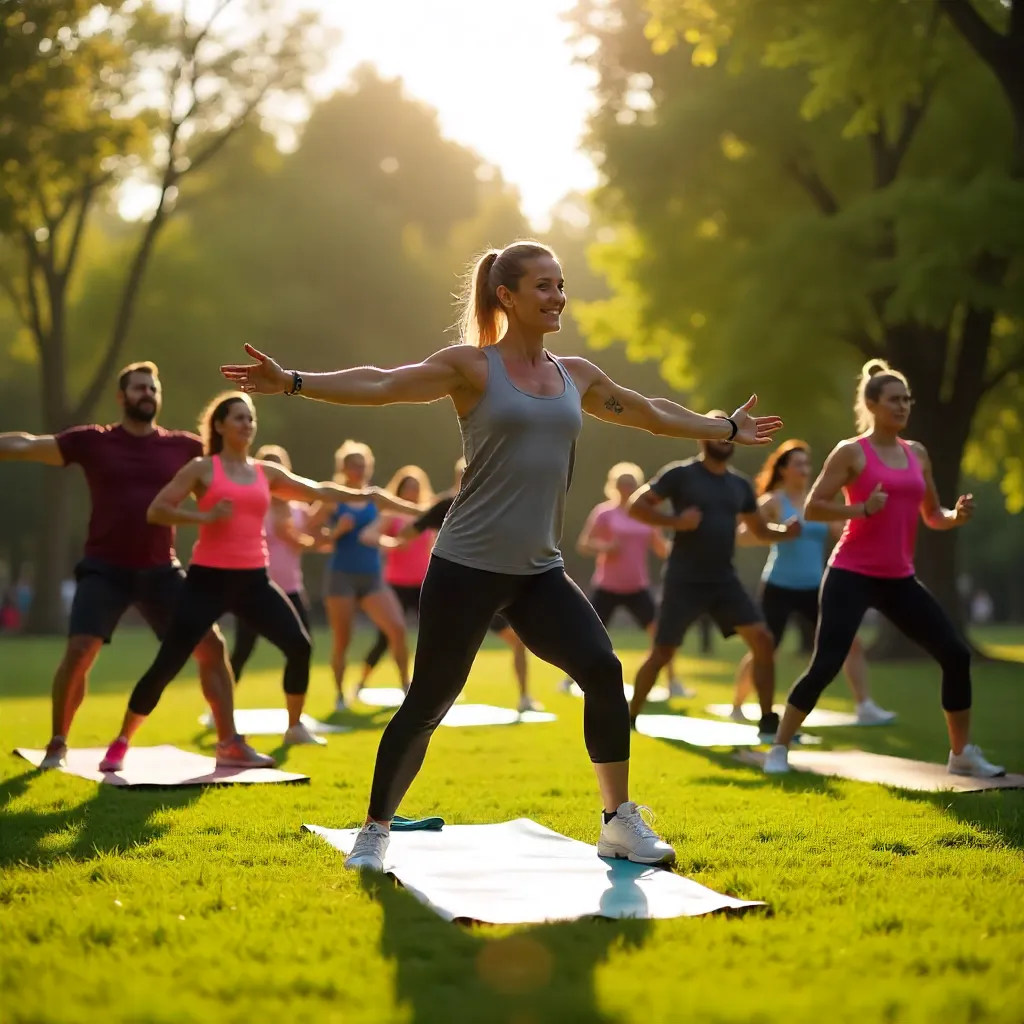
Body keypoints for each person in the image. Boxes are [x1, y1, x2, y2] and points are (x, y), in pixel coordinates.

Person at [221, 239, 783, 871]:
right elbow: (382, 384)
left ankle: (617, 820)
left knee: (602, 670)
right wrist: (293, 383)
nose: (558, 297)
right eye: (543, 286)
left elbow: (651, 413)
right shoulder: (473, 368)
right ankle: (375, 829)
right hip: (466, 566)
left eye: (562, 284)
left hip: (539, 571)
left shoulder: (578, 376)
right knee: (430, 699)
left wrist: (723, 429)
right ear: (506, 296)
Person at [96, 393, 412, 770]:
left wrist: (363, 495)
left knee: (299, 645)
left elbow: (315, 491)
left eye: (250, 417)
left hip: (254, 580)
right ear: (219, 425)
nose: (247, 424)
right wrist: (206, 517)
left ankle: (294, 726)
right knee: (170, 659)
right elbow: (157, 510)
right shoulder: (202, 469)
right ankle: (122, 740)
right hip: (208, 580)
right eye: (239, 418)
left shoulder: (265, 473)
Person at [763, 361, 1003, 777]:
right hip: (851, 573)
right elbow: (812, 505)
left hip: (899, 578)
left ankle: (961, 754)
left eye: (907, 399)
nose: (903, 406)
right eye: (894, 399)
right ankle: (779, 747)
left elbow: (932, 514)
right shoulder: (852, 451)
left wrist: (954, 516)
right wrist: (860, 508)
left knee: (956, 653)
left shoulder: (918, 453)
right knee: (826, 664)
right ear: (872, 404)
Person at [0, 361, 243, 770]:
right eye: (137, 388)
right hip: (104, 569)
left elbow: (234, 467)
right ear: (121, 396)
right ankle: (58, 743)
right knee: (79, 650)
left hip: (161, 569)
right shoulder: (92, 441)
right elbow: (25, 444)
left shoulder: (184, 448)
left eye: (152, 388)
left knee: (212, 646)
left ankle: (230, 743)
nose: (146, 394)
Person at [625, 423, 801, 737]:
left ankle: (767, 720)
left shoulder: (740, 485)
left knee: (762, 640)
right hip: (684, 580)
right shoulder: (679, 474)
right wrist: (675, 521)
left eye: (728, 436)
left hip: (723, 580)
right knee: (663, 652)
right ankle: (630, 714)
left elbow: (759, 530)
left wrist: (783, 533)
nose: (724, 441)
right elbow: (636, 507)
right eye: (717, 435)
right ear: (703, 438)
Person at [730, 440, 896, 725]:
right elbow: (743, 537)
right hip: (778, 586)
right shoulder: (772, 501)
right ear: (783, 470)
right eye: (798, 464)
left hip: (815, 587)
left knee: (850, 642)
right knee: (765, 649)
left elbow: (843, 532)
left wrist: (866, 511)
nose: (805, 469)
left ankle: (865, 705)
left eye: (808, 464)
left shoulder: (818, 503)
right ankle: (737, 705)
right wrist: (781, 531)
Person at [397, 458, 539, 714]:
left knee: (516, 641)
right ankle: (429, 701)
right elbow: (409, 532)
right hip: (456, 590)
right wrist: (389, 536)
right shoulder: (445, 504)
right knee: (446, 648)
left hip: (489, 589)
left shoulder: (493, 504)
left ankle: (525, 698)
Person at [314, 441, 418, 711]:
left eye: (363, 465)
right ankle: (339, 695)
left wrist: (440, 511)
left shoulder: (375, 496)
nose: (359, 470)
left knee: (396, 628)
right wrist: (337, 532)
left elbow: (409, 509)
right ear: (344, 468)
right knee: (343, 639)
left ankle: (406, 687)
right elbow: (311, 536)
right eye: (354, 465)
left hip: (372, 576)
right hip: (341, 576)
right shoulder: (332, 497)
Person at [573, 462, 689, 698]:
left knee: (660, 633)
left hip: (637, 586)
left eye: (631, 484)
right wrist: (605, 546)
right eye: (622, 483)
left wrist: (686, 546)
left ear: (639, 486)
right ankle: (572, 678)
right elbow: (584, 544)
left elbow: (661, 548)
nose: (626, 488)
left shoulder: (645, 514)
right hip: (606, 585)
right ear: (613, 486)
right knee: (586, 633)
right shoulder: (604, 512)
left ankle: (673, 682)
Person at [230, 444, 320, 684]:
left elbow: (314, 533)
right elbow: (297, 540)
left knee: (302, 646)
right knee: (243, 649)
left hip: (292, 588)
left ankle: (296, 716)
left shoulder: (299, 508)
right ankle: (216, 709)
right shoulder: (255, 506)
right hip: (256, 588)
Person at [357, 465, 435, 690]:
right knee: (385, 638)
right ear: (400, 490)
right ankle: (362, 682)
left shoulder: (427, 514)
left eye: (416, 487)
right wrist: (391, 544)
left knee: (432, 636)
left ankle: (430, 685)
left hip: (423, 584)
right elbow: (368, 535)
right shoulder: (393, 514)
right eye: (408, 487)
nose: (412, 491)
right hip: (396, 585)